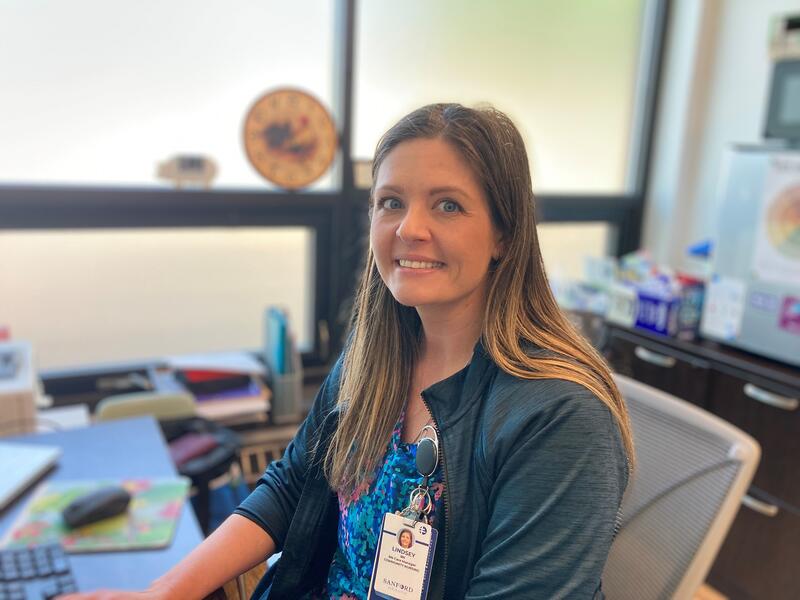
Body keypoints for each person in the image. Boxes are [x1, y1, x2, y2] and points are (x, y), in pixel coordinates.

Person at [60, 103, 633, 600]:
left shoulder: (560, 418)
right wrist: (162, 591)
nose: (410, 228)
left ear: (506, 233)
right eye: (391, 202)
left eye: (448, 205)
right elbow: (291, 484)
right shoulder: (377, 353)